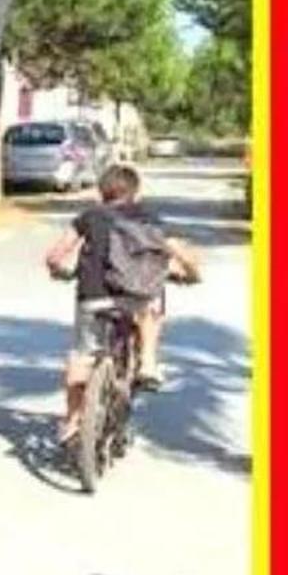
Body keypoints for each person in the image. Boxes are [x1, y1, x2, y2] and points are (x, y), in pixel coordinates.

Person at [44, 162, 201, 444]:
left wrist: (61, 271)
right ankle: (149, 363)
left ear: (101, 192)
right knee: (152, 306)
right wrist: (192, 275)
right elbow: (185, 257)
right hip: (137, 298)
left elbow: (55, 255)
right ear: (135, 193)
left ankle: (71, 420)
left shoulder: (89, 217)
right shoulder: (150, 220)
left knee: (81, 355)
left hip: (93, 296)